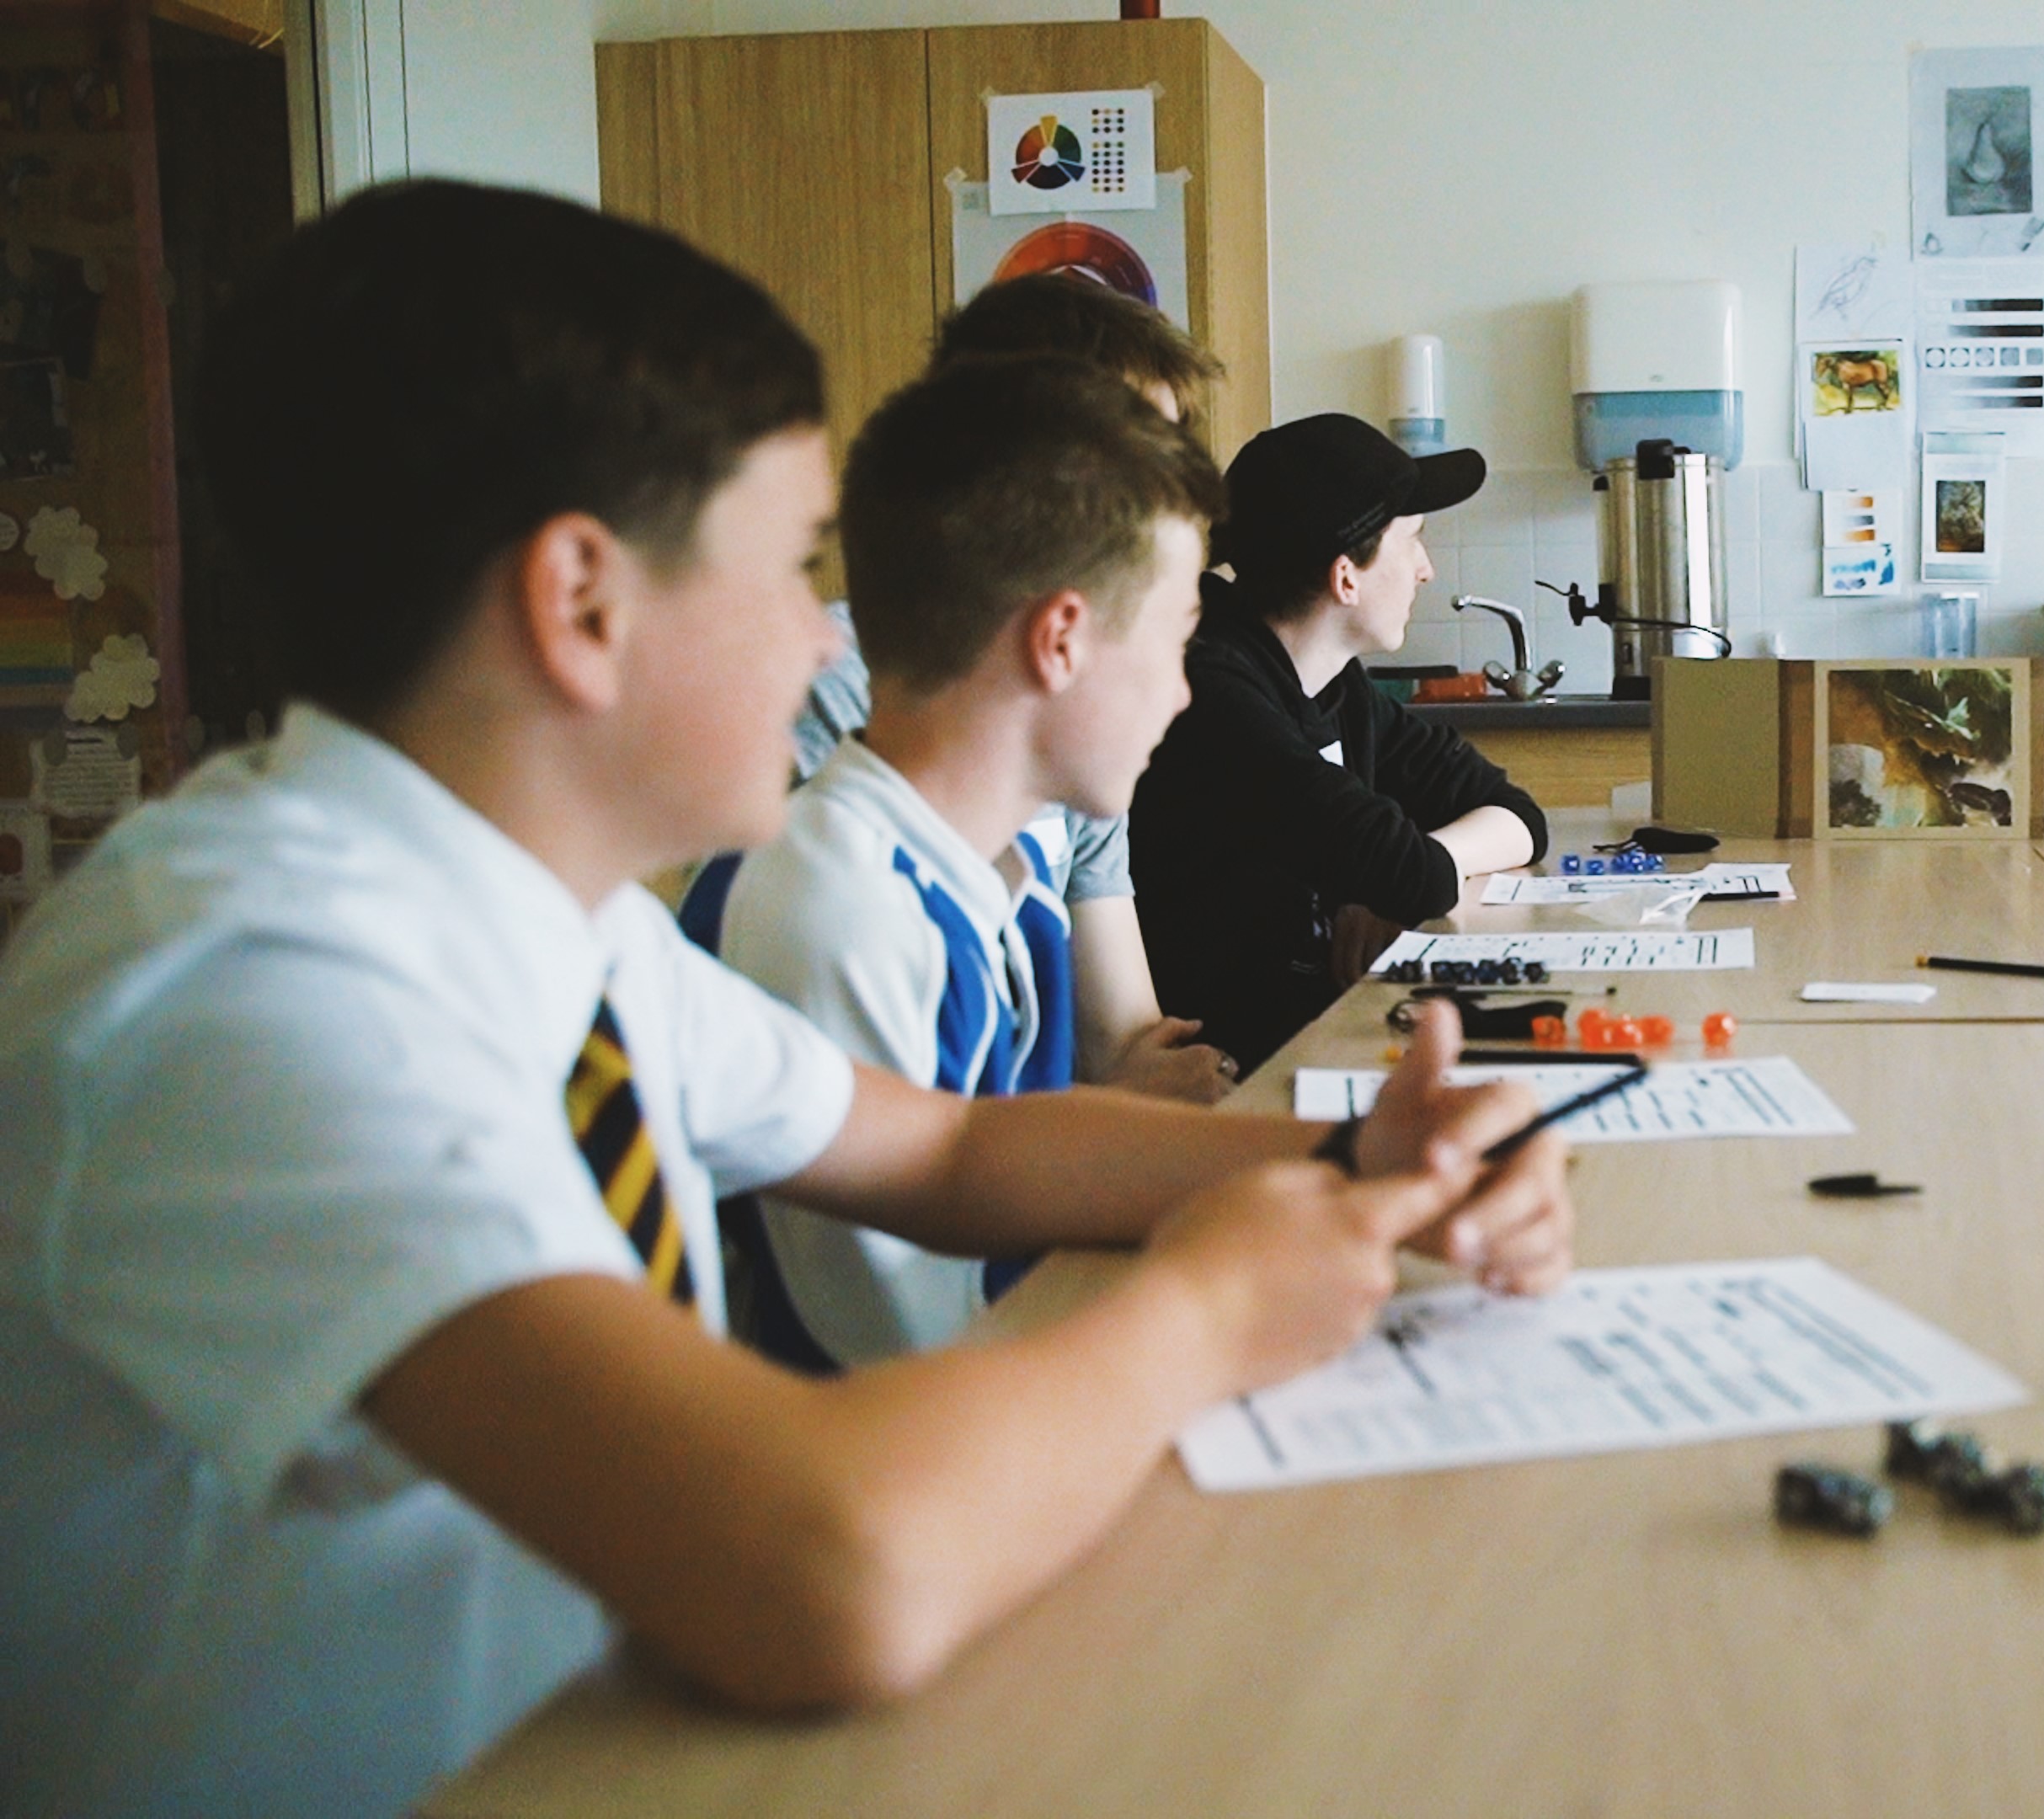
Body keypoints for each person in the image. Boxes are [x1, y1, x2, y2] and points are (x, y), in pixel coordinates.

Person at [0, 181, 1572, 1818]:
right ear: (582, 604)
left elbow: (952, 1150)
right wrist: (1209, 1313)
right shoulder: (247, 993)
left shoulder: (553, 915)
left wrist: (1358, 1165)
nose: (836, 636)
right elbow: (824, 1566)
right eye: (784, 567)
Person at [713, 360, 1243, 1368]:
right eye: (1178, 642)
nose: (1183, 696)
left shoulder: (993, 873)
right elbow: (911, 1366)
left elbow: (978, 1165)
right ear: (1061, 642)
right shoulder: (845, 911)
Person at [771, 274, 1229, 1102]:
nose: (1162, 489)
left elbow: (1118, 1052)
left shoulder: (1064, 760)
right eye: (1129, 451)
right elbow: (940, 1156)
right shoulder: (844, 858)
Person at [1130, 413, 1545, 1066]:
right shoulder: (1211, 692)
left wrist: (1393, 877)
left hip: (1315, 1037)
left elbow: (1517, 815)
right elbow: (1412, 875)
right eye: (1413, 541)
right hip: (1230, 1073)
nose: (1427, 570)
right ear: (1346, 576)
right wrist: (1396, 876)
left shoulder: (1339, 687)